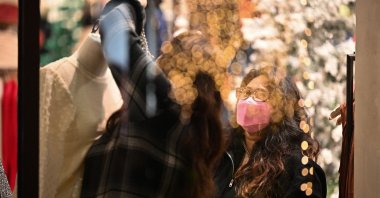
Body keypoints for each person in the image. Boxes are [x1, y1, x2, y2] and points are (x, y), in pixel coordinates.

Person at [80, 1, 227, 197]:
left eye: (166, 53)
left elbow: (114, 25)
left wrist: (134, 4)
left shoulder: (162, 105)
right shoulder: (190, 131)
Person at [214, 67, 327, 197]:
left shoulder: (299, 170)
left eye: (261, 94)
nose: (248, 101)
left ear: (282, 109)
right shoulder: (222, 152)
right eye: (246, 92)